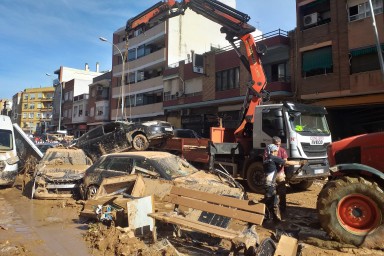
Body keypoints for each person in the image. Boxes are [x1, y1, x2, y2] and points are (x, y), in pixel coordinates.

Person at [263, 143, 301, 222]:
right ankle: (275, 220)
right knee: (274, 202)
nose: (277, 152)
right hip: (270, 185)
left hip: (266, 183)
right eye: (276, 151)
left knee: (268, 200)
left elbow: (274, 167)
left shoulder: (266, 159)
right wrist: (299, 163)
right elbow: (287, 162)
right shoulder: (273, 158)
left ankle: (266, 217)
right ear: (273, 151)